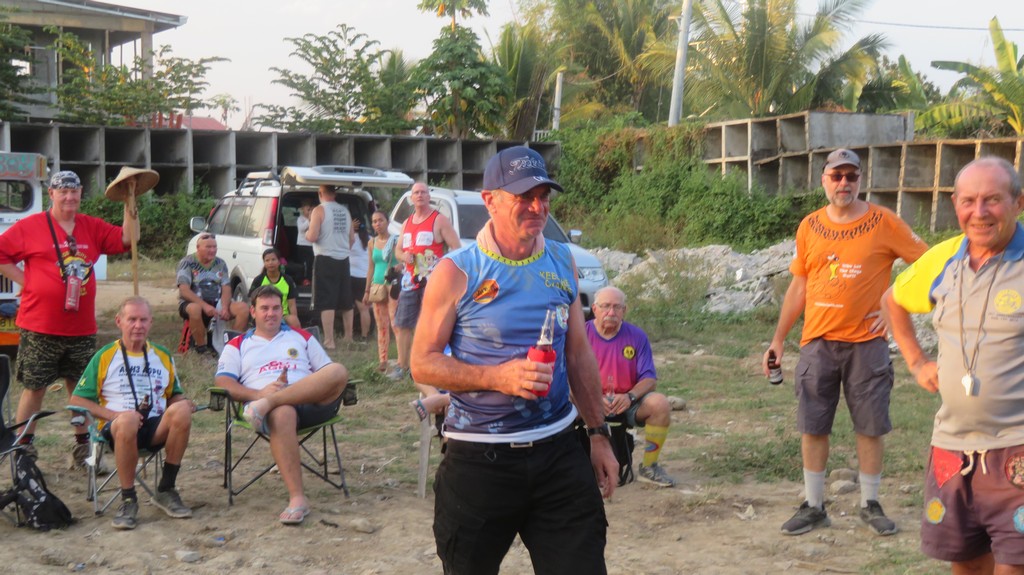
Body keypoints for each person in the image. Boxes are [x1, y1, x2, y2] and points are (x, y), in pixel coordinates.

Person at [411, 146, 618, 574]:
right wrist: (497, 377)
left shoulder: (561, 259)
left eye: (544, 196)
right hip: (479, 459)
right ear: (490, 200)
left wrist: (599, 434)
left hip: (558, 451)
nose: (538, 207)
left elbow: (578, 354)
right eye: (524, 197)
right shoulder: (457, 271)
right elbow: (423, 363)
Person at [764, 148, 927, 537]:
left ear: (860, 180)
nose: (844, 183)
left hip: (867, 344)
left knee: (870, 426)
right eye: (836, 176)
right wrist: (778, 339)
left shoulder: (884, 222)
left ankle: (870, 504)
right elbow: (799, 285)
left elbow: (926, 264)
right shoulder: (809, 226)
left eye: (851, 176)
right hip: (817, 342)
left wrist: (894, 303)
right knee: (813, 425)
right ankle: (814, 506)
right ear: (823, 180)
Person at [882, 157, 1024, 574]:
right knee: (964, 562)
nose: (979, 212)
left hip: (1016, 451)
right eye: (968, 201)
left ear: (1018, 202)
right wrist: (916, 361)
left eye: (992, 200)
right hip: (951, 450)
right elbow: (892, 300)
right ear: (955, 204)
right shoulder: (943, 258)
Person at [0, 170, 139, 468]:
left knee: (81, 388)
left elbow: (129, 238)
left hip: (81, 327)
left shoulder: (91, 226)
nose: (69, 197)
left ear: (80, 195)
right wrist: (27, 281)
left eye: (74, 192)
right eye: (62, 192)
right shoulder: (30, 226)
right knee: (34, 387)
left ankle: (83, 449)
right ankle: (23, 448)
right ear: (51, 194)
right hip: (40, 325)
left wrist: (130, 204)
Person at [215, 285, 349, 525]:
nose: (271, 313)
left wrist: (269, 400)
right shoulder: (237, 344)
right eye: (264, 308)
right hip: (270, 412)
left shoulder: (301, 336)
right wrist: (258, 394)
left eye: (276, 308)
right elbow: (223, 383)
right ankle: (298, 498)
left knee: (338, 370)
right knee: (283, 413)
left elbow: (327, 372)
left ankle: (270, 402)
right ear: (253, 312)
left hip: (310, 404)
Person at [69, 296, 195, 530]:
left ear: (151, 322)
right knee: (127, 420)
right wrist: (114, 416)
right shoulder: (105, 355)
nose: (138, 325)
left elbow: (174, 395)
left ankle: (166, 489)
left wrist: (184, 403)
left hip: (155, 426)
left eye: (143, 320)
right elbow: (77, 399)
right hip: (117, 428)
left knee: (182, 410)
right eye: (132, 319)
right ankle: (128, 499)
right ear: (119, 321)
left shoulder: (162, 355)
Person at [586, 286, 676, 488]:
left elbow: (649, 379)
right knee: (560, 405)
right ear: (594, 309)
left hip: (626, 402)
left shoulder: (637, 336)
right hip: (588, 401)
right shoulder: (581, 335)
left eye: (617, 307)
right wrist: (591, 399)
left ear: (624, 310)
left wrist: (630, 397)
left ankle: (650, 467)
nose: (611, 312)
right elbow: (566, 375)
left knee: (659, 404)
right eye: (605, 306)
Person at [392, 181, 460, 383]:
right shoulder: (407, 223)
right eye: (416, 193)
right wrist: (404, 257)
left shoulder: (439, 220)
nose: (420, 195)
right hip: (409, 282)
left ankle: (430, 364)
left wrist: (444, 268)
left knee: (432, 324)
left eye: (423, 192)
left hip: (433, 283)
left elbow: (456, 247)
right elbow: (398, 250)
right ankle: (402, 366)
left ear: (429, 197)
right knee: (402, 324)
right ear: (411, 198)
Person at [176, 233, 248, 356]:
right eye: (208, 247)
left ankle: (232, 346)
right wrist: (204, 306)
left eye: (214, 247)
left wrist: (224, 307)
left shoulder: (220, 263)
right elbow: (184, 290)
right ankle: (202, 349)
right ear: (198, 247)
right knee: (195, 309)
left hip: (218, 303)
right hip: (193, 303)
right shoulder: (187, 262)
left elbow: (226, 287)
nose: (212, 250)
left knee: (243, 308)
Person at [305, 184, 354, 350]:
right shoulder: (345, 211)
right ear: (335, 193)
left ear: (320, 193)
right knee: (346, 300)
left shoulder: (319, 210)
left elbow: (312, 236)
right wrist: (342, 248)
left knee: (327, 301)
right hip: (344, 259)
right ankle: (348, 337)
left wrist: (306, 232)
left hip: (325, 258)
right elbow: (352, 239)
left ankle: (329, 340)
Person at [363, 210, 399, 372]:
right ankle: (383, 360)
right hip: (377, 286)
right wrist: (366, 290)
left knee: (395, 323)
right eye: (374, 221)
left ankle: (402, 359)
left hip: (393, 285)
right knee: (381, 325)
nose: (377, 224)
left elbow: (404, 260)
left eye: (380, 220)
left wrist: (400, 267)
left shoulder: (396, 241)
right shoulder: (372, 243)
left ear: (387, 221)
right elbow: (371, 267)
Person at [248, 248, 300, 330]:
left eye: (273, 259)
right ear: (264, 263)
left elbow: (292, 304)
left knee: (293, 320)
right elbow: (252, 301)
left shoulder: (287, 280)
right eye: (267, 260)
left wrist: (294, 319)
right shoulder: (258, 280)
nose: (270, 263)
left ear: (279, 261)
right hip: (263, 314)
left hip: (283, 315)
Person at [349, 218, 372, 342]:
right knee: (364, 309)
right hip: (365, 276)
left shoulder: (350, 237)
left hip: (351, 275)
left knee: (348, 308)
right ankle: (365, 336)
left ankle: (348, 335)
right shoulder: (370, 239)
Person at [295, 200, 315, 285]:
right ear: (302, 209)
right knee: (304, 263)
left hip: (312, 245)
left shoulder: (315, 219)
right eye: (308, 209)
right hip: (303, 245)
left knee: (311, 263)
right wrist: (309, 220)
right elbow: (301, 229)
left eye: (311, 209)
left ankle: (310, 278)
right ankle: (304, 279)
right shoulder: (300, 219)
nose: (309, 211)